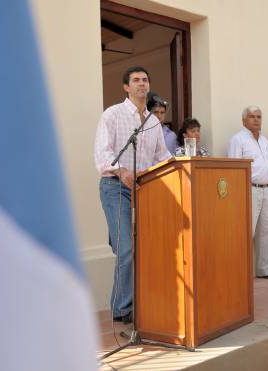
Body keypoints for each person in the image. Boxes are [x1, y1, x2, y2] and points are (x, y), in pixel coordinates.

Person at [94, 66, 171, 323]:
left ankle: (138, 301)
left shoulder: (153, 122)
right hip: (115, 187)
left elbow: (163, 157)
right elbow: (103, 155)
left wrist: (183, 166)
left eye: (145, 80)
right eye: (136, 80)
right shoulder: (113, 114)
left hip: (145, 189)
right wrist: (122, 170)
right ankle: (122, 309)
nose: (142, 84)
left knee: (146, 249)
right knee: (126, 250)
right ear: (126, 87)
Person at [228, 106, 268, 280]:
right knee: (246, 231)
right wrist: (239, 194)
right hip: (248, 189)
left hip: (266, 190)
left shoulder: (265, 141)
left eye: (258, 116)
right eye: (251, 116)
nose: (256, 119)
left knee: (267, 230)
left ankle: (264, 269)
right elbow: (234, 168)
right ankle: (241, 270)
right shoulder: (238, 139)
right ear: (244, 120)